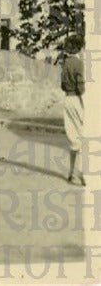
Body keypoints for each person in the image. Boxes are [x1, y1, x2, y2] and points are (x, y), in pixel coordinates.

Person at [61, 34, 85, 186]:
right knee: (83, 138)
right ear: (79, 48)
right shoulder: (79, 63)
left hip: (67, 99)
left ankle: (71, 172)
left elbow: (62, 85)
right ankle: (80, 174)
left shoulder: (66, 63)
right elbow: (81, 87)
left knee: (73, 137)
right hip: (77, 99)